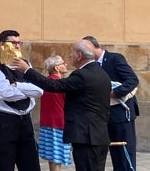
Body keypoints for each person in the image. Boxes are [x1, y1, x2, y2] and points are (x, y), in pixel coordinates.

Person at [13, 39, 111, 171]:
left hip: (86, 136)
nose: (69, 56)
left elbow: (54, 85)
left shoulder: (82, 75)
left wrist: (27, 70)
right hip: (98, 134)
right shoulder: (101, 72)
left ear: (79, 55)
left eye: (71, 52)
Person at [0, 30, 43, 171]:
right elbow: (5, 93)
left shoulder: (24, 64)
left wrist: (17, 85)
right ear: (2, 44)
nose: (17, 46)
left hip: (25, 119)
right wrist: (28, 91)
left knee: (31, 165)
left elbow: (39, 90)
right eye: (13, 43)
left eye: (19, 43)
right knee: (3, 165)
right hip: (4, 120)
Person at [84, 36, 139, 171]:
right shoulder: (92, 65)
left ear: (91, 47)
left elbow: (132, 80)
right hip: (105, 115)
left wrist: (115, 93)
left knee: (125, 152)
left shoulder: (115, 59)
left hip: (122, 114)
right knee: (114, 152)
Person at [38, 55, 72, 171]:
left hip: (45, 122)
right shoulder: (60, 84)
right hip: (58, 124)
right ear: (57, 68)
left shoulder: (45, 82)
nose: (66, 64)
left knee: (51, 157)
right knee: (57, 158)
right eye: (63, 63)